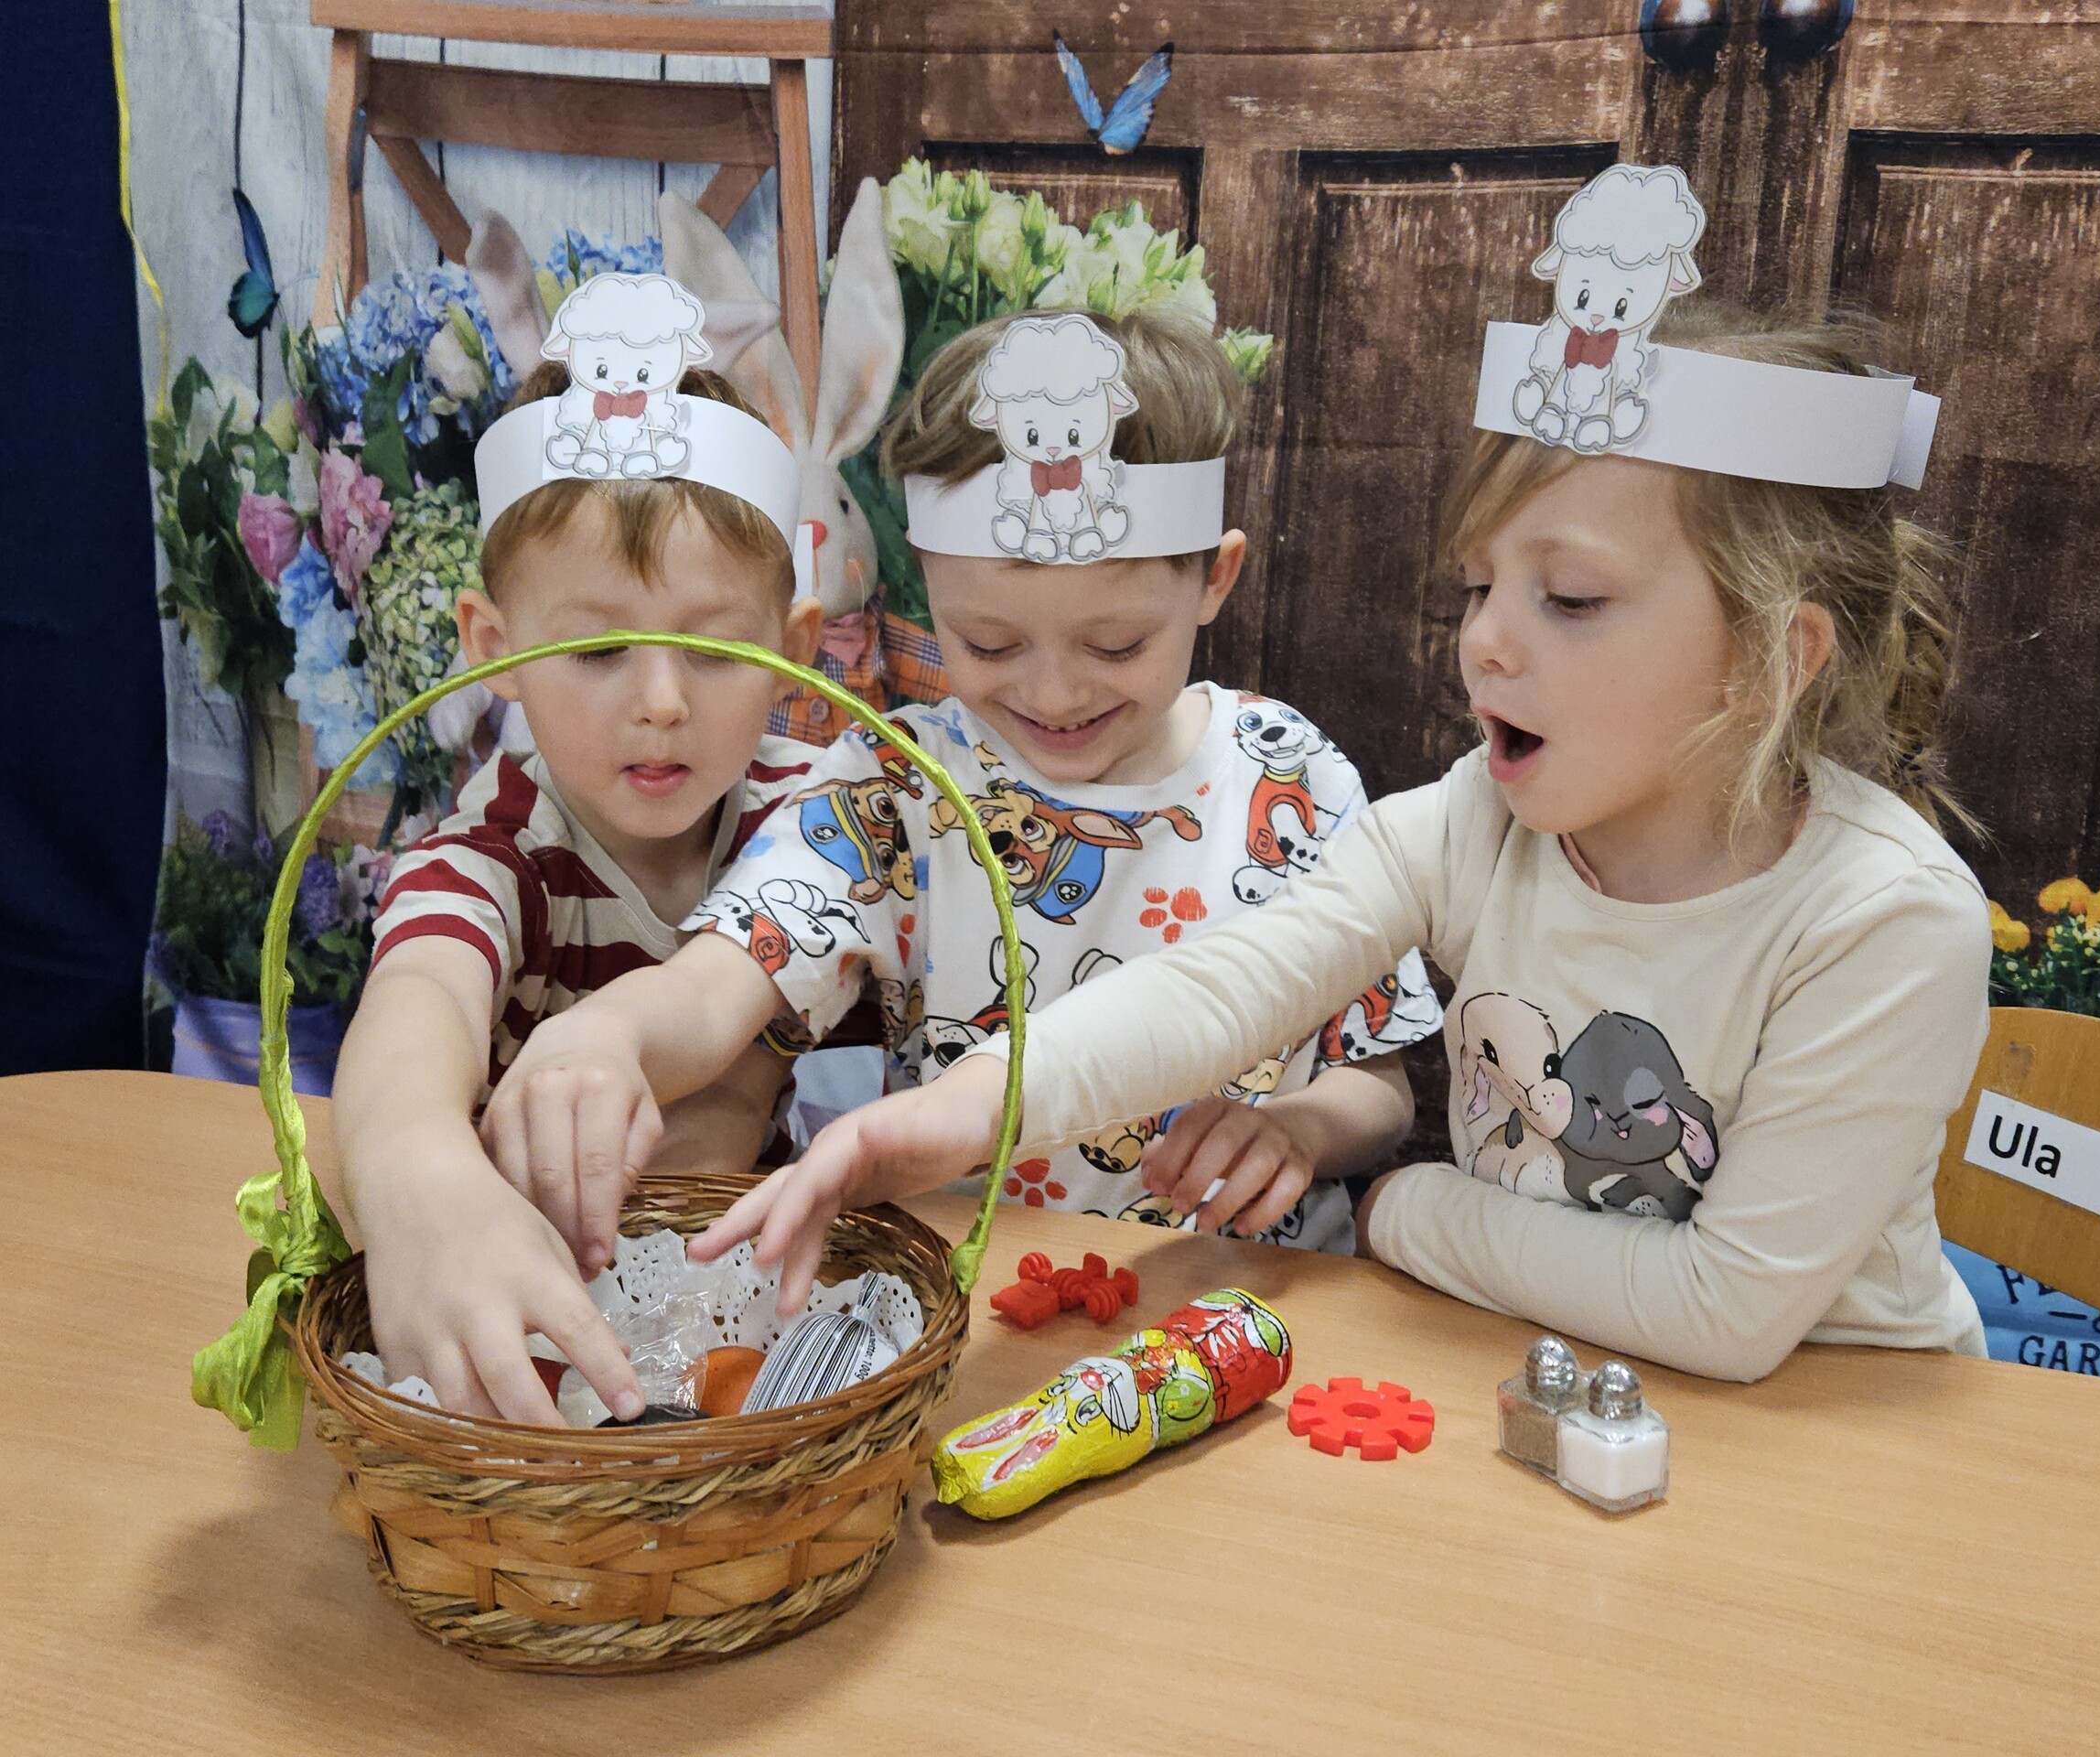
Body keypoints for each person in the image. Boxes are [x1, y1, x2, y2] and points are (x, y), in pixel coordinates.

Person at [707, 263, 1997, 1377]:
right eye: (1482, 586)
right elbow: (1219, 992)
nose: (1484, 642)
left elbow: (1725, 1311)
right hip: (1543, 1368)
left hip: (1837, 1427)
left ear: (1769, 659)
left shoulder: (1884, 919)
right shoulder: (1471, 823)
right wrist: (952, 1114)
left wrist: (1405, 1209)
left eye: (1569, 599)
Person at [481, 305, 1441, 1299]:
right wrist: (609, 1033)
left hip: (1247, 1306)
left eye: (1116, 646)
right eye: (988, 644)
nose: (1055, 693)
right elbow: (723, 980)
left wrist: (1298, 1129)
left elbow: (1379, 1087)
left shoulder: (1290, 777)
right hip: (981, 1299)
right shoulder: (896, 786)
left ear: (1214, 578)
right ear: (926, 581)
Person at [334, 273, 824, 1424]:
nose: (660, 703)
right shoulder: (497, 856)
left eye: (716, 652)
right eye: (598, 652)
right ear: (492, 647)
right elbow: (420, 1000)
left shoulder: (815, 823)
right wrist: (412, 1168)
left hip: (757, 1320)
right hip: (537, 1306)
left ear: (797, 650)